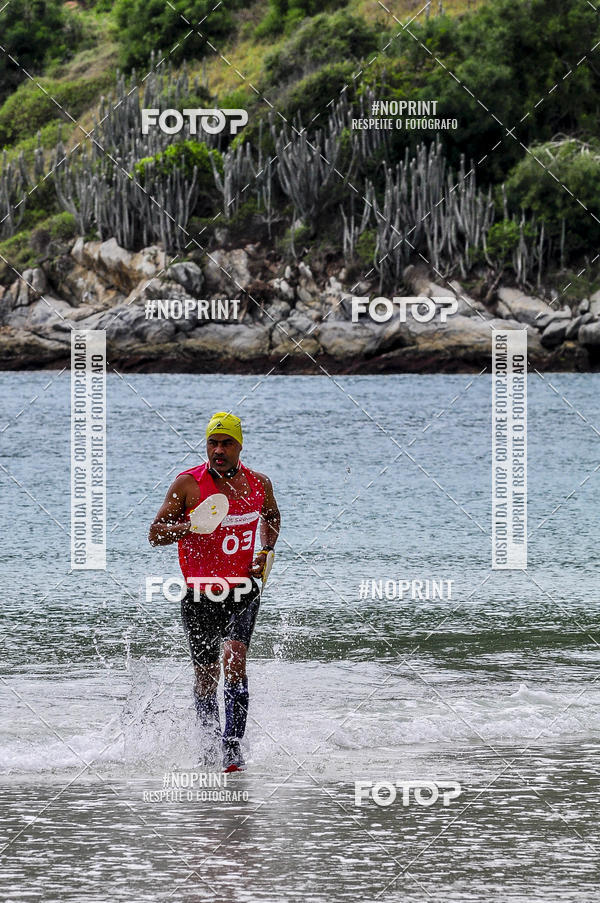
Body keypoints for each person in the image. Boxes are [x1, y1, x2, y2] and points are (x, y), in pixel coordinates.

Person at [149, 412, 280, 772]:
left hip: (243, 589)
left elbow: (271, 517)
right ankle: (209, 746)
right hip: (200, 593)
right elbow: (155, 533)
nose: (218, 450)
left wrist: (265, 553)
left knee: (234, 659)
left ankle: (233, 748)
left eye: (226, 443)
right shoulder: (187, 484)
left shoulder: (259, 483)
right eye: (212, 442)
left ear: (240, 445)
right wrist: (189, 525)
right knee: (206, 677)